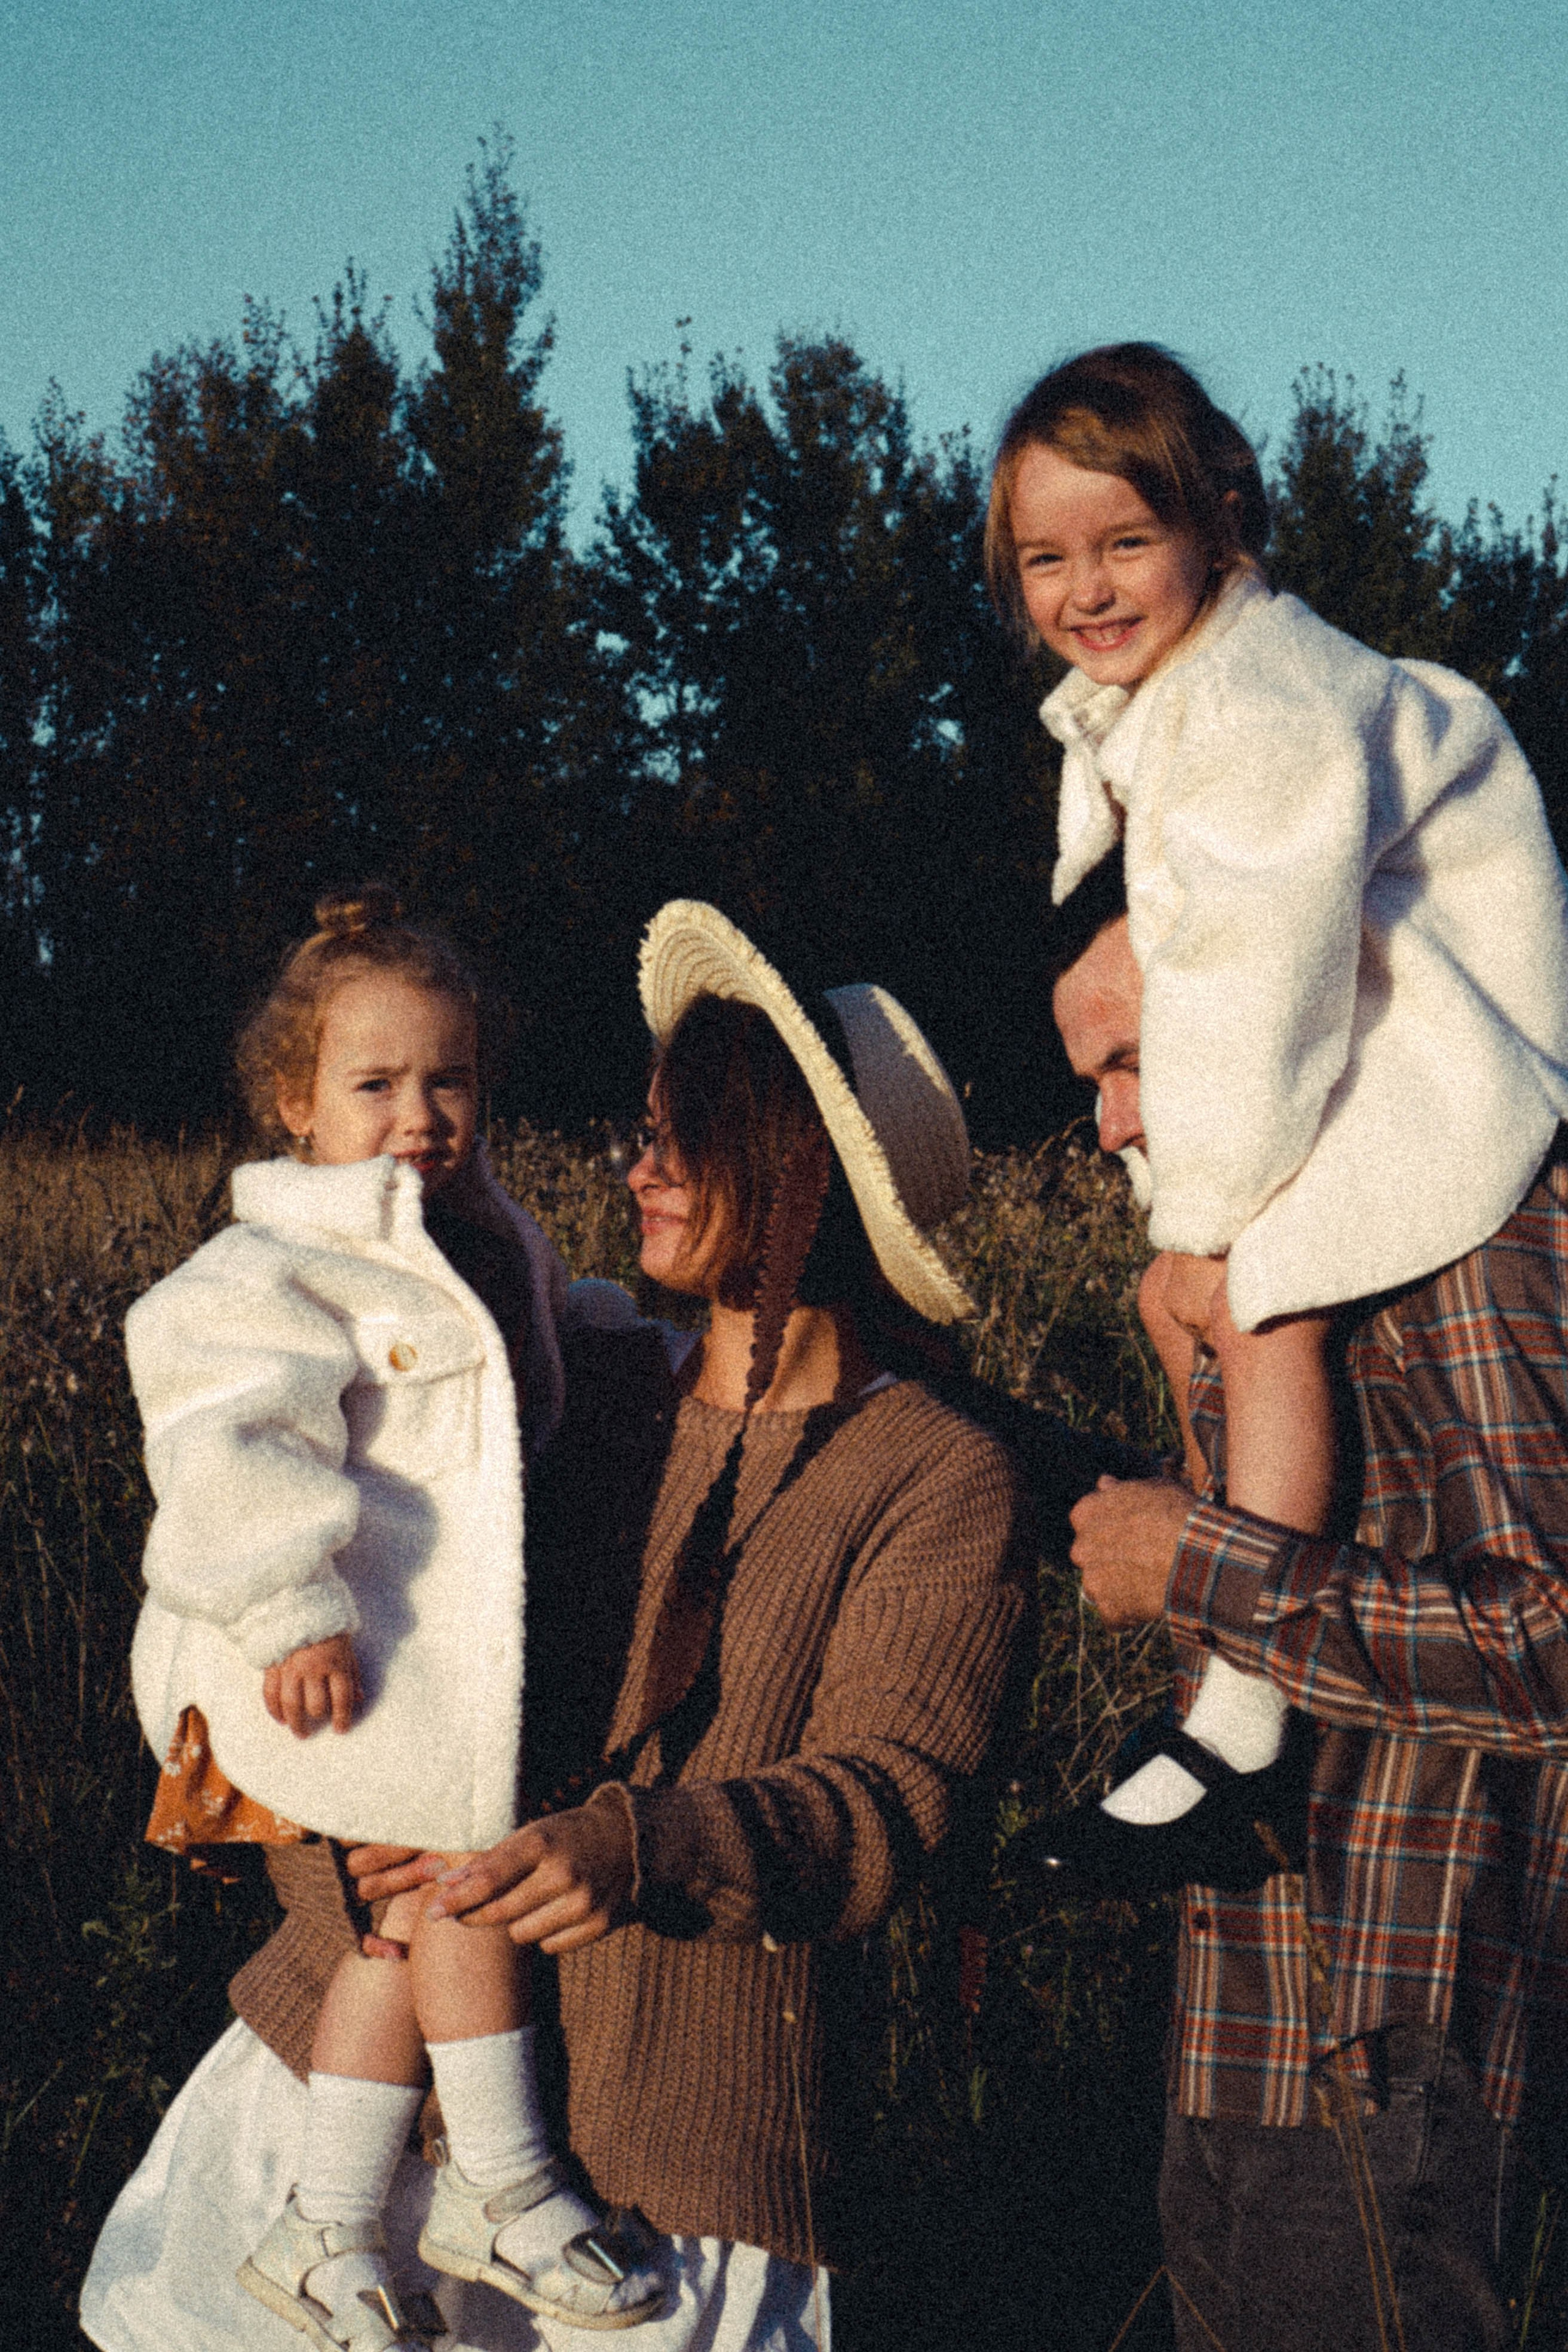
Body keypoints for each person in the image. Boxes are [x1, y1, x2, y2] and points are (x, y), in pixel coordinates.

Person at [85, 900, 1035, 2352]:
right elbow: (293, 1626)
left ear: (800, 1182)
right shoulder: (566, 1388)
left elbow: (889, 1800)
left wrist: (633, 1846)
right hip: (368, 2105)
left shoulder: (939, 1473)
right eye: (638, 1131)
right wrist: (333, 1828)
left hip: (675, 2134)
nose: (636, 1168)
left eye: (679, 1137)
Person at [986, 341, 1568, 1868]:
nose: (1085, 590)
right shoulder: (1185, 695)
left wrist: (1210, 1220)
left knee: (1249, 1306)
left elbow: (1249, 973)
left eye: (1125, 544)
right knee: (1210, 1315)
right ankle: (1232, 1699)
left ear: (1219, 525)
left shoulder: (1260, 695)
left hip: (1421, 1067)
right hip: (1377, 1044)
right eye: (1045, 559)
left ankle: (1234, 1725)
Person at [98, 890, 661, 2352]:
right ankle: (504, 2178)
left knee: (400, 1930)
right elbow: (229, 1439)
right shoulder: (271, 1266)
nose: (420, 1114)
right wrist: (290, 1603)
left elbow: (531, 1345)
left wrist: (617, 1335)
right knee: (460, 1880)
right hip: (307, 1652)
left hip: (415, 1656)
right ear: (295, 1103)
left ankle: (328, 2228)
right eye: (374, 1084)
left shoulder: (486, 1234)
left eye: (449, 1080)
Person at [1050, 851, 1568, 2351]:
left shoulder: (1474, 1233)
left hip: (1404, 2051)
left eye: (1133, 1058)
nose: (1111, 1125)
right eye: (1092, 1081)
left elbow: (1546, 1636)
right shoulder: (1258, 1258)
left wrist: (1191, 1561)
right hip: (1245, 2027)